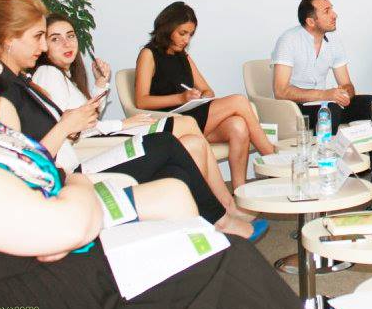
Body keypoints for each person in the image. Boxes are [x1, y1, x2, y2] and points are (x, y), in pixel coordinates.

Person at [0, 0, 328, 309]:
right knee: (228, 264)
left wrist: (63, 206)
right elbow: (67, 222)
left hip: (47, 271)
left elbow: (51, 209)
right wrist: (72, 193)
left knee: (219, 250)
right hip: (33, 306)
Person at [0, 0, 262, 239]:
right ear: (10, 39)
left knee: (185, 153)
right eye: (42, 37)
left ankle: (212, 218)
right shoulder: (8, 92)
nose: (45, 45)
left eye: (67, 36)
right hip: (73, 170)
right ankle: (224, 216)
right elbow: (25, 163)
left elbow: (75, 121)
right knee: (171, 140)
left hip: (80, 158)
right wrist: (76, 126)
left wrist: (95, 93)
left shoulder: (23, 82)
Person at [33, 13, 245, 221]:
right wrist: (122, 124)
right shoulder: (48, 73)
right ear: (42, 44)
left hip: (97, 139)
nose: (66, 43)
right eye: (55, 39)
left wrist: (100, 84)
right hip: (90, 149)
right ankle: (226, 205)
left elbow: (87, 117)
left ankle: (204, 213)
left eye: (70, 36)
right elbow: (73, 128)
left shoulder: (63, 76)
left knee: (194, 143)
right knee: (188, 123)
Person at [134, 1, 277, 188]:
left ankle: (240, 191)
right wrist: (180, 98)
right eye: (182, 33)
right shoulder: (148, 54)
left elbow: (208, 90)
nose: (186, 40)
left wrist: (199, 96)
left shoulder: (183, 56)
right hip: (172, 122)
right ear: (167, 28)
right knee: (239, 101)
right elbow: (141, 101)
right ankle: (272, 160)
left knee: (238, 125)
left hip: (192, 115)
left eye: (190, 34)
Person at [271, 0, 372, 186]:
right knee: (329, 110)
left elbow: (347, 84)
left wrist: (345, 94)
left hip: (326, 104)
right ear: (311, 21)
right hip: (296, 108)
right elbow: (281, 91)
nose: (334, 15)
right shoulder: (289, 40)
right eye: (327, 11)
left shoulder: (333, 41)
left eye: (332, 9)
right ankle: (329, 176)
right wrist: (327, 95)